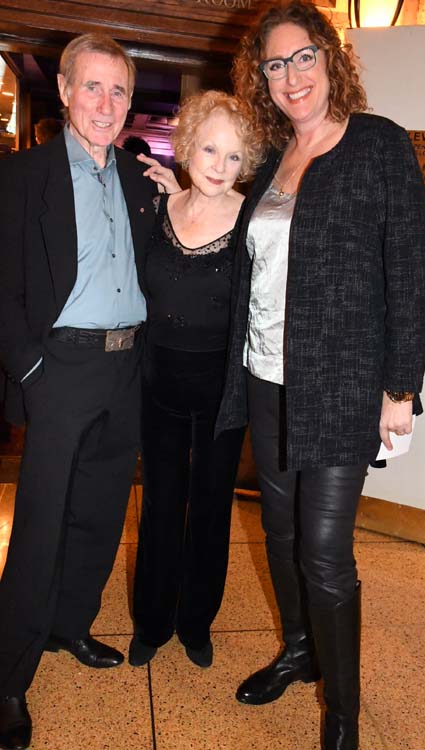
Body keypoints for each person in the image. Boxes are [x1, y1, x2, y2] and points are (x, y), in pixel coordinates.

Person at [215, 1, 425, 748]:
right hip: (267, 377)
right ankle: (302, 652)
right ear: (263, 80)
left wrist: (401, 387)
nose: (290, 76)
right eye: (274, 65)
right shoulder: (277, 156)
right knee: (278, 533)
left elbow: (409, 275)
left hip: (343, 384)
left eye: (302, 56)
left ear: (330, 58)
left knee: (324, 552)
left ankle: (343, 712)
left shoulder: (379, 145)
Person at [0, 33, 157, 750]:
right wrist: (29, 369)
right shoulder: (21, 175)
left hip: (125, 371)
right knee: (38, 527)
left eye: (118, 90)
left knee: (98, 515)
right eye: (91, 87)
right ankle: (7, 678)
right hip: (58, 370)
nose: (105, 103)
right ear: (63, 91)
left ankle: (70, 627)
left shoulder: (137, 177)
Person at [128, 90, 263, 670]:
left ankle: (196, 621)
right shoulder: (158, 207)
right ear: (187, 147)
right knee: (159, 504)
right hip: (157, 385)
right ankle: (152, 620)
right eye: (210, 148)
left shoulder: (256, 222)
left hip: (221, 396)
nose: (219, 165)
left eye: (234, 157)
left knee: (209, 510)